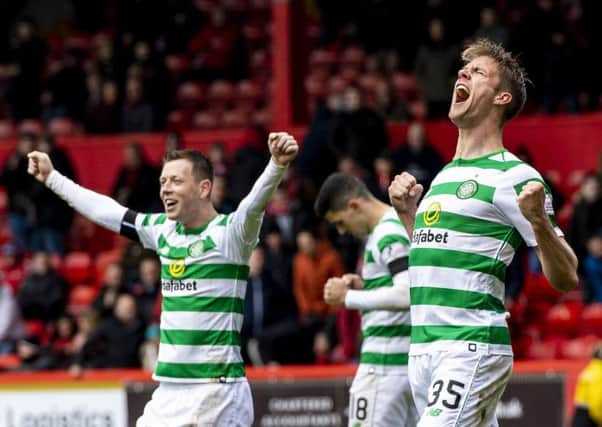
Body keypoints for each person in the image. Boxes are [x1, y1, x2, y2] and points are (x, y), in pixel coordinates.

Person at [27, 131, 298, 426]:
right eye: (163, 182)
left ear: (204, 188)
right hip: (170, 390)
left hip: (216, 391)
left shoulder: (230, 235)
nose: (166, 189)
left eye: (176, 181)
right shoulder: (162, 229)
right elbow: (107, 211)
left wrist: (276, 164)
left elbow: (253, 205)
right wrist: (53, 178)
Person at [388, 39, 578, 427]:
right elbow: (436, 263)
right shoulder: (443, 176)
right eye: (464, 69)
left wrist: (539, 223)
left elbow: (566, 277)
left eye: (477, 72)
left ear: (501, 97)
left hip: (469, 345)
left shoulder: (514, 175)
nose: (463, 73)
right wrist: (410, 217)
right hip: (423, 351)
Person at [315, 172, 417, 427]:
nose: (341, 231)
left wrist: (349, 297)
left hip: (384, 368)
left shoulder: (387, 233)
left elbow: (408, 293)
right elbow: (402, 282)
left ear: (354, 205)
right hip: (404, 365)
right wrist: (366, 285)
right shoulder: (394, 227)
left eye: (339, 222)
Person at [572, 343, 602, 427]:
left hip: (580, 417)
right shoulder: (599, 373)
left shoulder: (589, 370)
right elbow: (596, 403)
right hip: (589, 420)